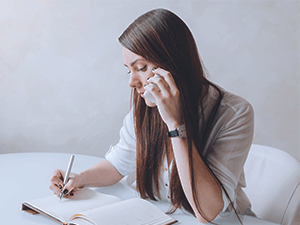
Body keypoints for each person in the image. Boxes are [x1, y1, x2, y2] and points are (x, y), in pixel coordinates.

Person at [49, 8, 255, 223]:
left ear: (174, 63)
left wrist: (176, 124)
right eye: (129, 70)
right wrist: (80, 178)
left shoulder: (235, 114)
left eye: (141, 67)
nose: (132, 82)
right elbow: (119, 163)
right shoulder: (144, 109)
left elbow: (207, 211)